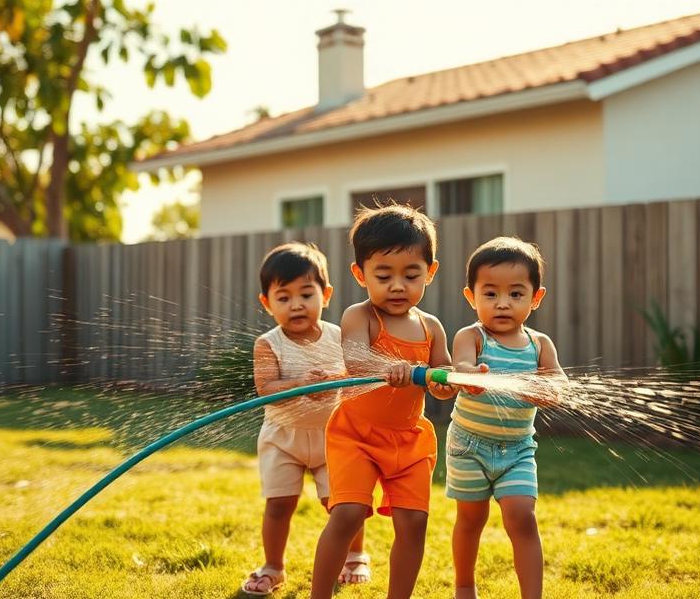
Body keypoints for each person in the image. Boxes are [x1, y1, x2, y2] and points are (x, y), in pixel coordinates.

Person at [311, 204, 456, 599]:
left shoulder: (431, 327)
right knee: (348, 513)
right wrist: (393, 368)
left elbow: (440, 381)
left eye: (411, 275)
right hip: (356, 435)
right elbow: (356, 360)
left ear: (430, 272)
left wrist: (455, 381)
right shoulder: (361, 316)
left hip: (408, 440)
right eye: (383, 275)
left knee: (414, 522)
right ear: (360, 274)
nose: (397, 286)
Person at [242, 242, 369, 596]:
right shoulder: (268, 343)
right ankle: (273, 566)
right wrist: (298, 384)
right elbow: (265, 387)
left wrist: (334, 381)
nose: (296, 304)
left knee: (342, 505)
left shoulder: (339, 335)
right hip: (283, 438)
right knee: (279, 503)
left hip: (334, 435)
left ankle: (355, 555)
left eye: (305, 294)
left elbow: (355, 373)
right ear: (267, 303)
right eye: (283, 298)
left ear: (325, 295)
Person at [447, 237, 566, 599]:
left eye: (516, 294)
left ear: (536, 298)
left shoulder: (539, 344)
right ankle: (465, 586)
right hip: (468, 445)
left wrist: (548, 390)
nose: (502, 303)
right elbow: (461, 366)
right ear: (471, 297)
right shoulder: (472, 337)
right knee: (471, 519)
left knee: (521, 517)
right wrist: (473, 376)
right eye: (490, 294)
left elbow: (558, 381)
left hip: (517, 449)